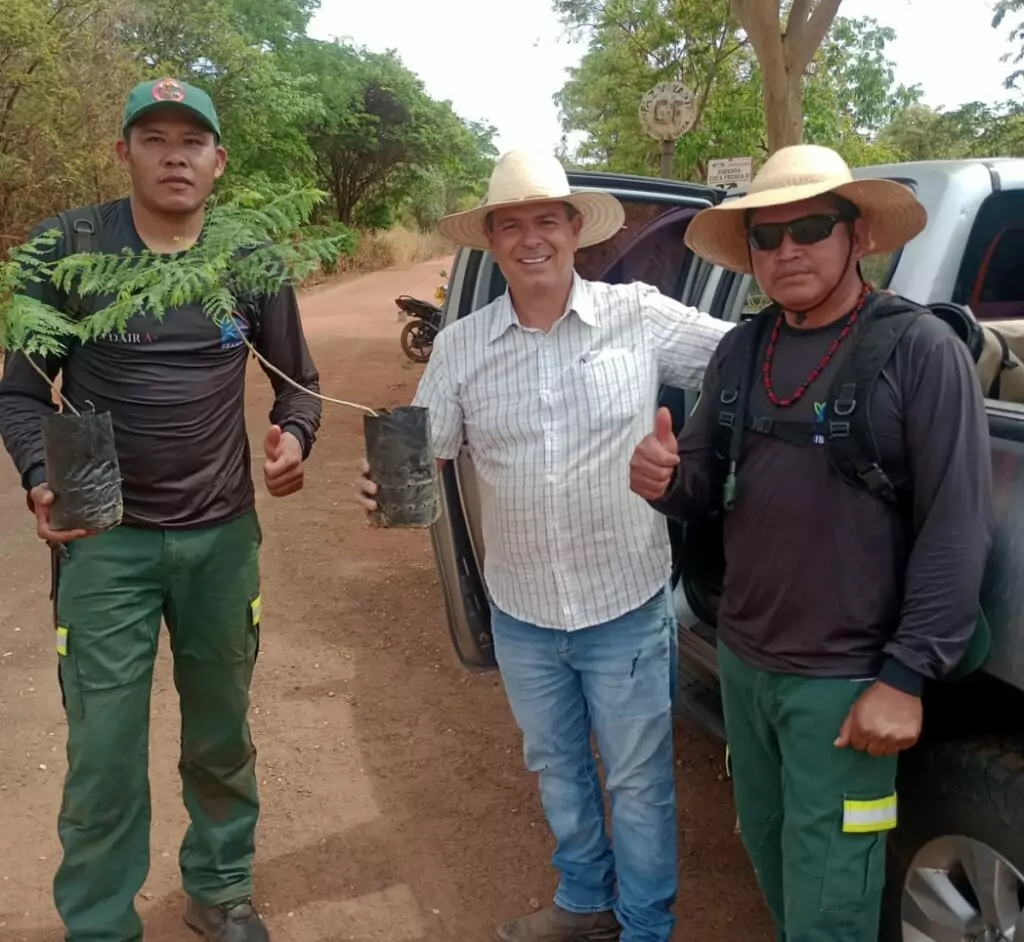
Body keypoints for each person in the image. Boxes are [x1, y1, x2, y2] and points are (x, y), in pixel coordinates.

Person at [357, 149, 732, 942]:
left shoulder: (637, 314)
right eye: (512, 225)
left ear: (573, 232)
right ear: (494, 241)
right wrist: (386, 481)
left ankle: (644, 927)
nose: (531, 239)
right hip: (523, 610)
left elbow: (746, 362)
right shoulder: (461, 346)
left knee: (638, 784)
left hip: (624, 603)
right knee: (557, 770)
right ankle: (584, 902)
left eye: (545, 221)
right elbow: (428, 449)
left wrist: (694, 455)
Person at [630, 144, 992, 941]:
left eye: (812, 228)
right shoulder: (742, 350)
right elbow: (699, 487)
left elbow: (957, 527)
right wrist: (662, 477)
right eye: (767, 236)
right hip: (746, 663)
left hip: (848, 682)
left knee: (831, 895)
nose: (788, 250)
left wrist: (905, 676)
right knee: (770, 852)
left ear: (857, 237)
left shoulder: (918, 352)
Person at [0, 77, 322, 942]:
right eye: (154, 138)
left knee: (221, 733)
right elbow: (22, 396)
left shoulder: (249, 259)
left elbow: (300, 386)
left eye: (192, 140)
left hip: (223, 541)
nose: (174, 154)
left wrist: (296, 439)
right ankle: (101, 924)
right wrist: (39, 477)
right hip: (104, 543)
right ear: (124, 153)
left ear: (218, 161)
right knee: (102, 751)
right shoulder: (64, 249)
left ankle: (219, 890)